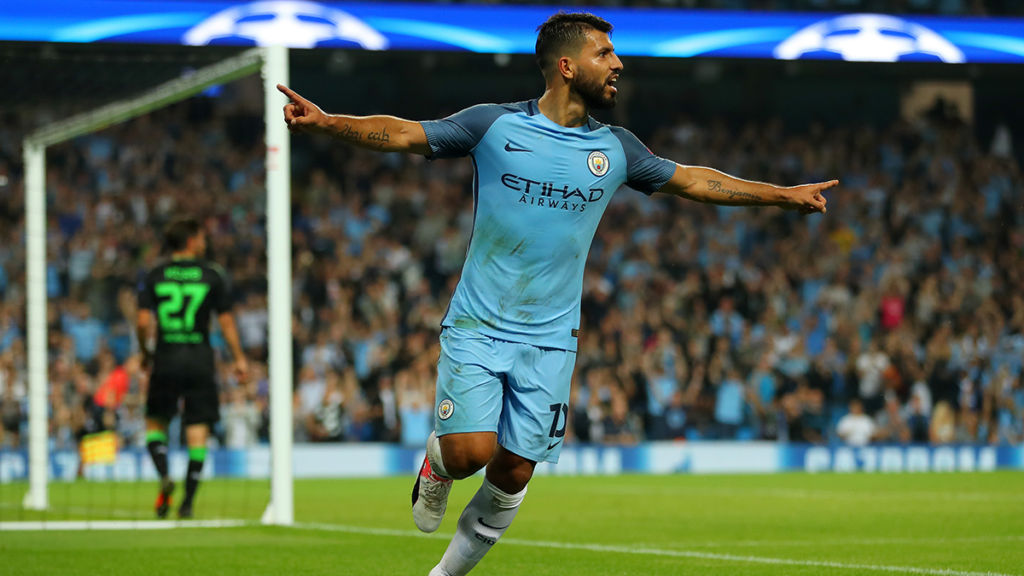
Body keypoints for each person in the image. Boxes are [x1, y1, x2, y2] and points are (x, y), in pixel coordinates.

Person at [279, 11, 833, 576]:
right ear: (567, 67)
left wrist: (782, 195)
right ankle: (437, 466)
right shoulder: (493, 125)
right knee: (470, 453)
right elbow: (402, 132)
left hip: (550, 339)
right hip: (479, 324)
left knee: (515, 471)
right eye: (604, 53)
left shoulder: (617, 149)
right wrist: (327, 123)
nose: (617, 63)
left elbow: (694, 180)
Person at [137, 217, 248, 519]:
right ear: (190, 241)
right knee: (197, 432)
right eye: (201, 237)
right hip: (199, 360)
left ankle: (163, 474)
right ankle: (187, 504)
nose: (204, 242)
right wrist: (238, 356)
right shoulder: (212, 275)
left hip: (166, 358)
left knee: (156, 424)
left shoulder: (155, 275)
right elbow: (225, 321)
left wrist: (146, 353)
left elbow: (143, 322)